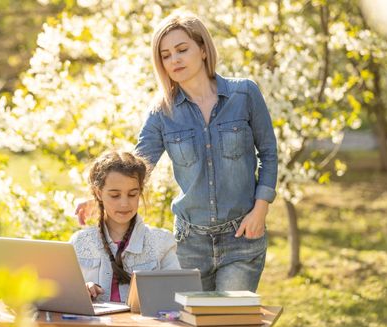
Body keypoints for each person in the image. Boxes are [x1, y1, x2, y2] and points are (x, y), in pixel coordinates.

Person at [77, 11, 277, 292]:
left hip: (242, 236)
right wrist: (96, 196)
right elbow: (137, 167)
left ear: (204, 50)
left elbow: (268, 153)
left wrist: (261, 209)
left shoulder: (244, 94)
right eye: (166, 55)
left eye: (182, 50)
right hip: (189, 244)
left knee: (228, 325)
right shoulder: (162, 112)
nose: (175, 60)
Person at [70, 151, 180, 302]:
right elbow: (62, 296)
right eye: (115, 195)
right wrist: (81, 290)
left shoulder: (162, 242)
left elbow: (177, 299)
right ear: (99, 193)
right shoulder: (79, 242)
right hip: (94, 326)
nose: (124, 203)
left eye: (132, 194)